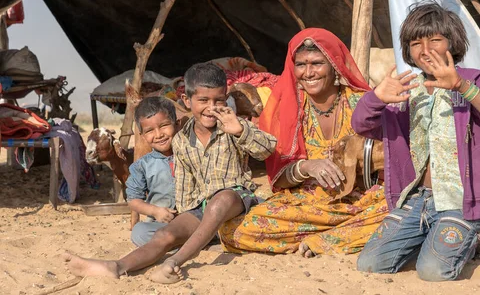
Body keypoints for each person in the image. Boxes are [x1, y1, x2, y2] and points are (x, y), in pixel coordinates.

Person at [62, 63, 277, 283]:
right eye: (203, 101)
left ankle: (173, 261)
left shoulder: (232, 126)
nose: (211, 108)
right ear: (186, 100)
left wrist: (240, 130)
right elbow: (185, 188)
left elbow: (268, 148)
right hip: (200, 208)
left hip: (236, 201)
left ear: (225, 98)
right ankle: (115, 266)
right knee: (164, 234)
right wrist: (179, 220)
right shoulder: (182, 140)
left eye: (218, 100)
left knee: (220, 200)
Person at [352, 1, 480, 281]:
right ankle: (432, 232)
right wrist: (376, 97)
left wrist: (462, 87)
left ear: (452, 43)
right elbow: (361, 125)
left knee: (433, 271)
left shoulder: (475, 79)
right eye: (416, 43)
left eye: (435, 40)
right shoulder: (406, 89)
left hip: (461, 200)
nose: (425, 51)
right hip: (417, 199)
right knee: (370, 264)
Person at [219, 28, 389, 257]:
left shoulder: (362, 103)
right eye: (301, 65)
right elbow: (281, 179)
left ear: (334, 64)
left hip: (362, 200)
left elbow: (390, 160)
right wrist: (307, 167)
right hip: (309, 204)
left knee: (392, 208)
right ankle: (341, 235)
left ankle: (324, 239)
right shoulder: (288, 110)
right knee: (232, 231)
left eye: (317, 63)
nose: (309, 73)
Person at [127, 97, 178, 247]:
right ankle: (184, 243)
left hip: (193, 219)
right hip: (162, 224)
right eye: (150, 130)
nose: (158, 134)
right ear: (143, 136)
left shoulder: (190, 154)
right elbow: (133, 200)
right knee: (139, 232)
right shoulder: (142, 166)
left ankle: (180, 242)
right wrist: (156, 211)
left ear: (177, 124)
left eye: (164, 126)